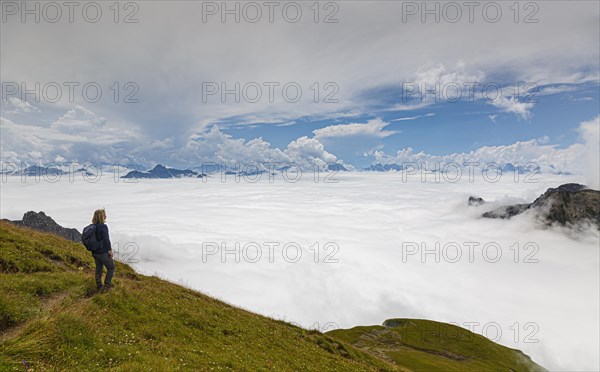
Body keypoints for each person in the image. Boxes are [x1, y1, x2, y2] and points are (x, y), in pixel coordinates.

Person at [91, 208, 115, 292]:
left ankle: (99, 285)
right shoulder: (103, 227)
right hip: (102, 252)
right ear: (101, 216)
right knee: (111, 267)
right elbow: (106, 239)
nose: (106, 216)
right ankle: (107, 286)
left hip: (94, 252)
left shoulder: (93, 227)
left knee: (99, 268)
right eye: (104, 215)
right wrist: (110, 250)